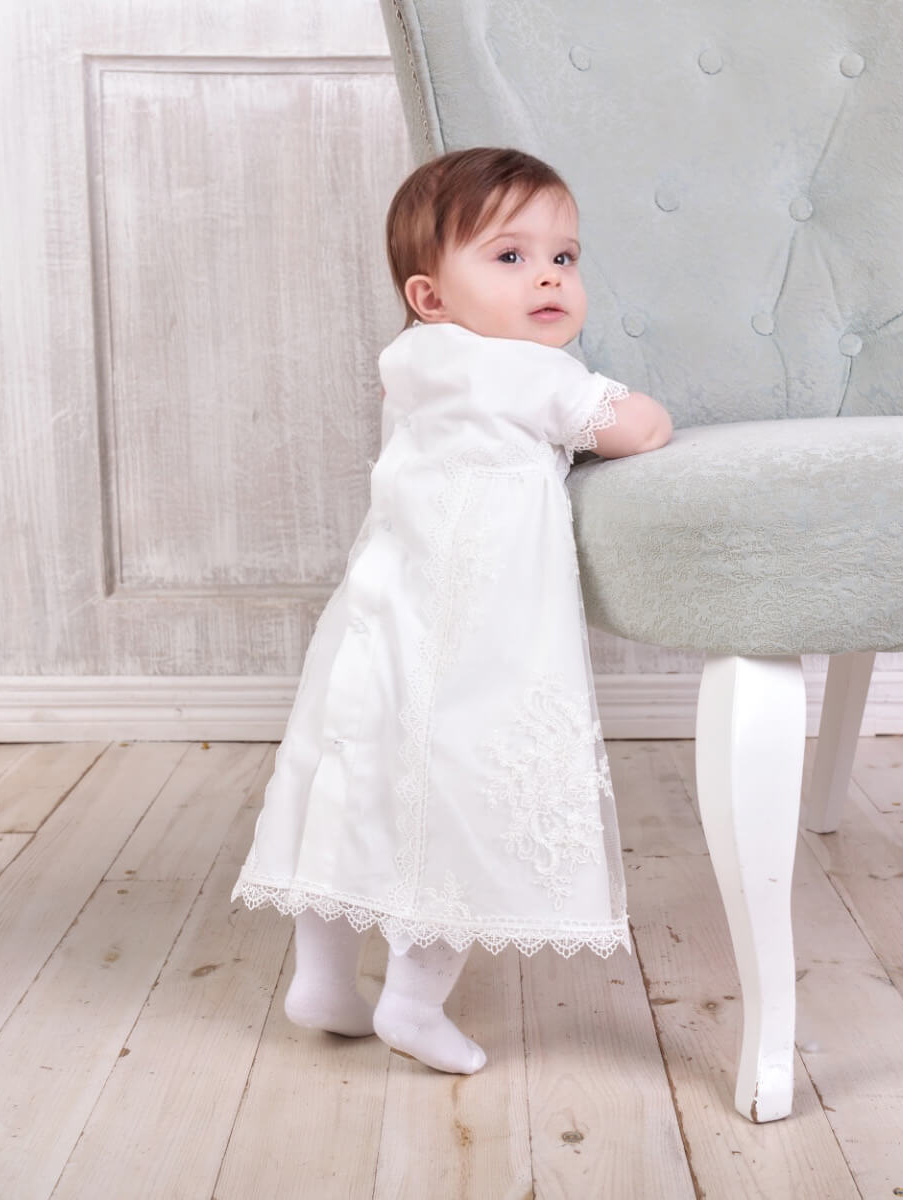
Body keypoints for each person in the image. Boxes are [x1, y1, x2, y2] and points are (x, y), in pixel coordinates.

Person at [231, 146, 673, 1075]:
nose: (549, 275)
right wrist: (646, 414)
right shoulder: (523, 372)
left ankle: (322, 980)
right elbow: (635, 428)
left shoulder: (413, 361)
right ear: (432, 294)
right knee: (455, 813)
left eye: (565, 256)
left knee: (354, 788)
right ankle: (412, 1003)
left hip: (376, 626)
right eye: (510, 257)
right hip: (478, 640)